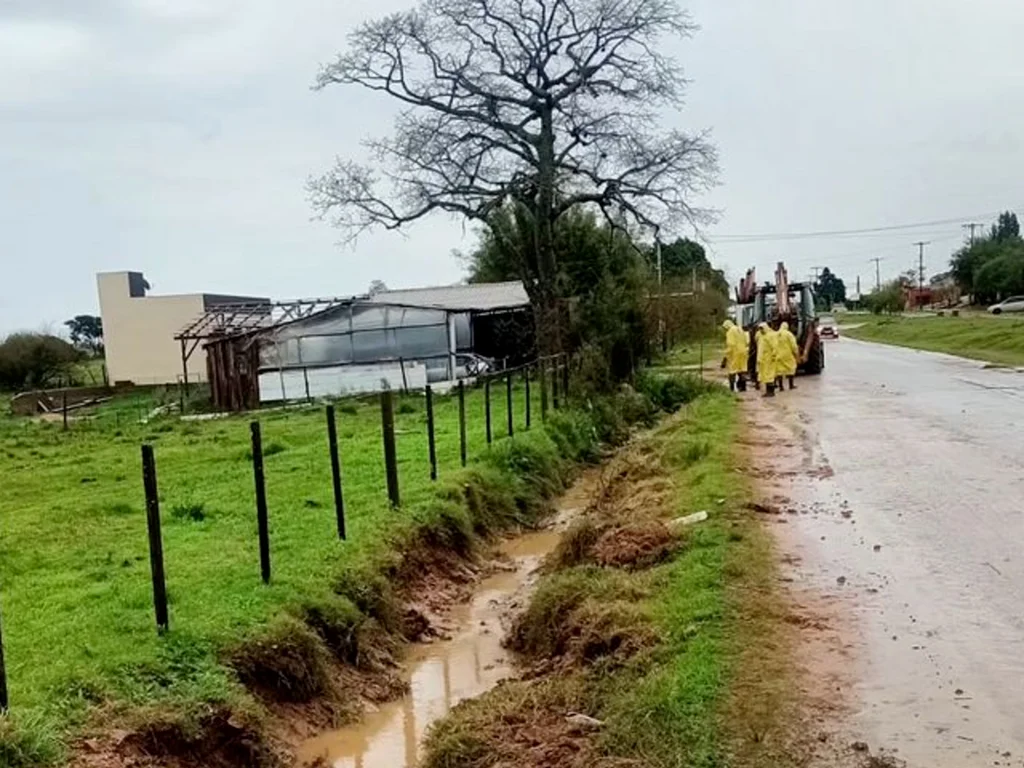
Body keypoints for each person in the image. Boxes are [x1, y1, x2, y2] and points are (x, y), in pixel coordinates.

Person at [721, 320, 749, 392]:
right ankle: (743, 387)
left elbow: (731, 345)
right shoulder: (740, 329)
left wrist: (726, 356)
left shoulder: (730, 331)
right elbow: (746, 341)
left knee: (732, 370)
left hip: (735, 353)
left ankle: (732, 388)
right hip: (743, 352)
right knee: (742, 369)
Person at [776, 321, 800, 391]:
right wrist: (796, 353)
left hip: (778, 355)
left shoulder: (776, 334)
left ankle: (781, 387)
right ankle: (791, 385)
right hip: (787, 355)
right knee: (791, 369)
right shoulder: (789, 334)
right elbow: (793, 346)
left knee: (779, 371)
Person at [755, 323, 777, 397]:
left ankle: (771, 392)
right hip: (763, 360)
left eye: (762, 328)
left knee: (769, 376)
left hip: (769, 359)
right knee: (765, 376)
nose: (761, 330)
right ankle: (768, 391)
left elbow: (774, 346)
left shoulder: (770, 336)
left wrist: (773, 356)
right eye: (760, 328)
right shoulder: (762, 337)